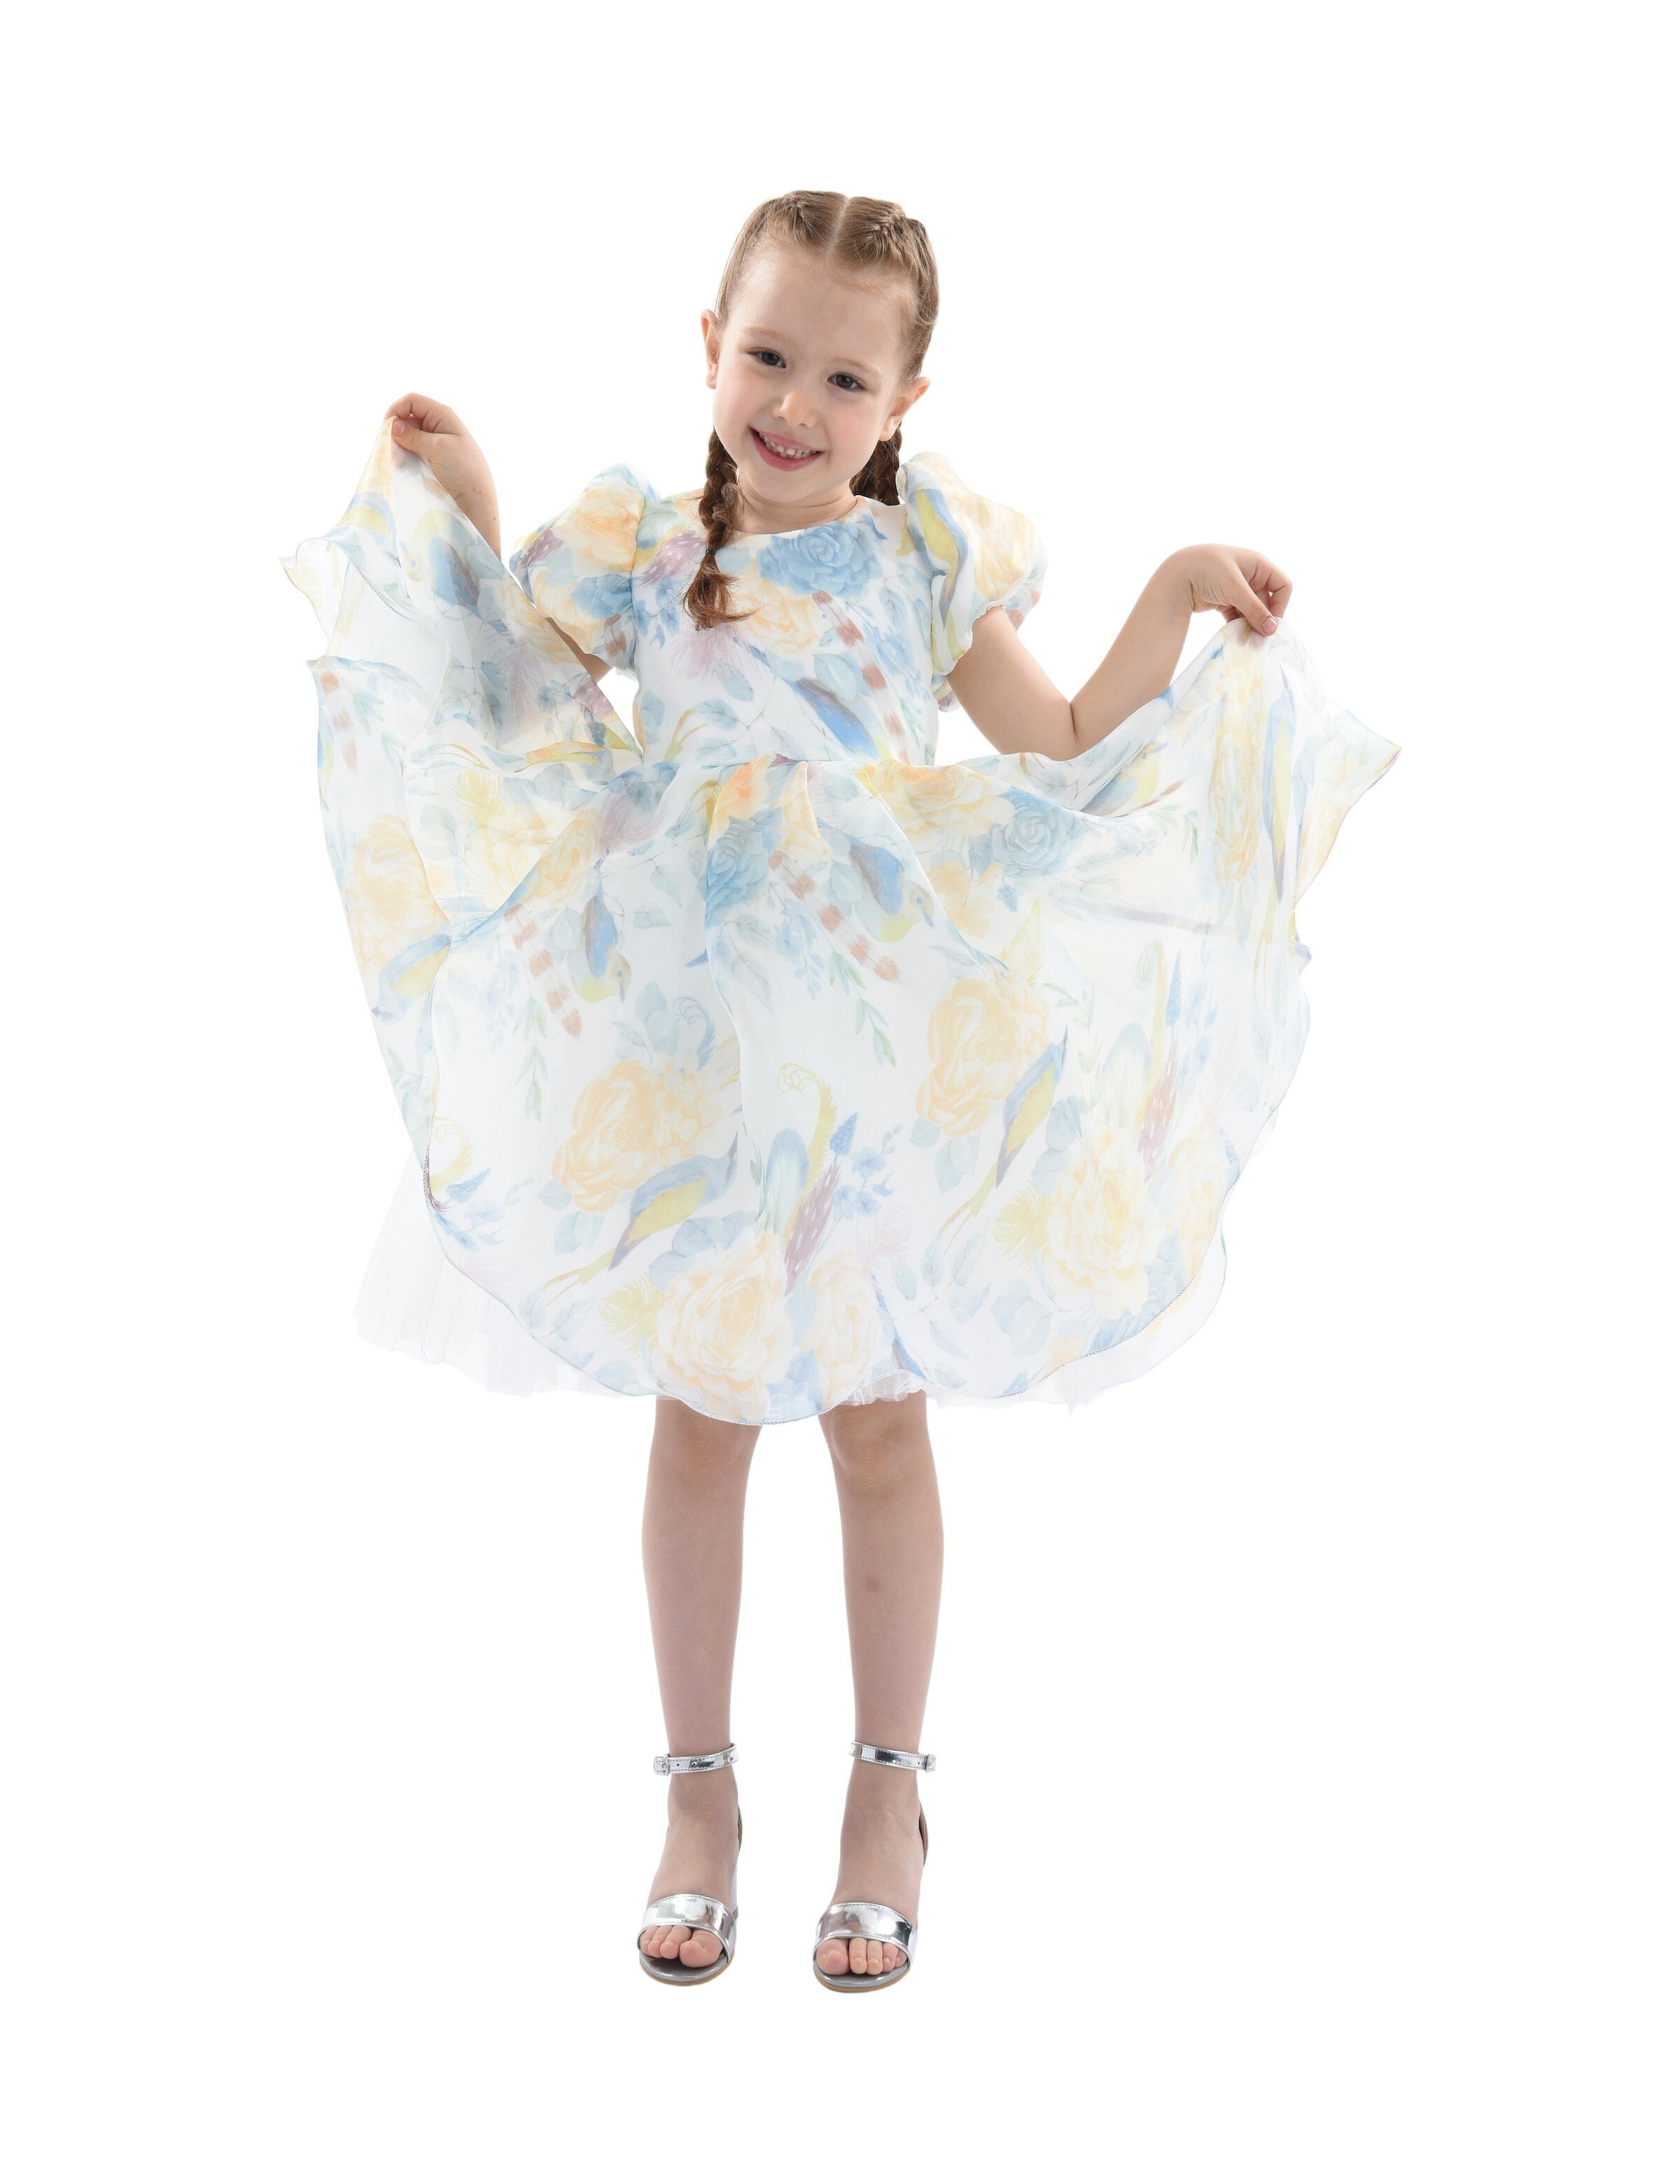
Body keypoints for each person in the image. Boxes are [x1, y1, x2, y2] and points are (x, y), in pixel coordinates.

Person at [283, 190, 1399, 1992]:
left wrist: (1176, 592)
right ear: (708, 348)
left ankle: (888, 1793)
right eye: (767, 356)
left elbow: (1061, 740)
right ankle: (701, 1798)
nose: (796, 405)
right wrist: (472, 499)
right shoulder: (647, 548)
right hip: (698, 1063)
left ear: (907, 400)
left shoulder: (917, 559)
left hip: (884, 1066)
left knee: (880, 1426)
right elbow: (502, 696)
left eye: (845, 378)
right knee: (703, 1420)